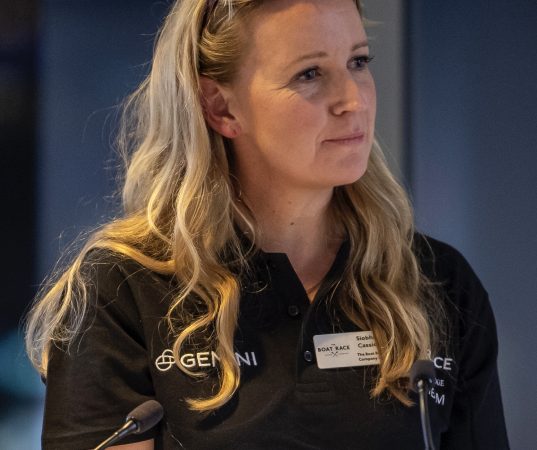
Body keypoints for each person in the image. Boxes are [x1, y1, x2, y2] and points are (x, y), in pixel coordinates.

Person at [25, 0, 509, 449]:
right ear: (221, 107)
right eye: (310, 74)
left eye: (358, 62)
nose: (353, 100)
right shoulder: (122, 290)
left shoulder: (439, 283)